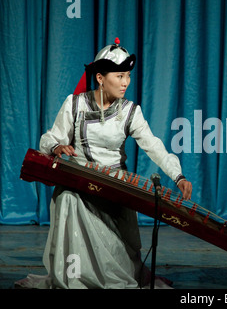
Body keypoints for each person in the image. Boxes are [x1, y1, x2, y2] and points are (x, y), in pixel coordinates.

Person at [16, 38, 192, 289]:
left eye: (128, 76)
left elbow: (154, 146)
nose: (125, 83)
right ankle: (74, 275)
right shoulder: (75, 104)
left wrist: (178, 176)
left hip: (114, 185)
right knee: (68, 198)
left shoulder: (130, 111)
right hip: (78, 182)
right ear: (100, 78)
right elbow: (49, 138)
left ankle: (109, 273)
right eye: (119, 76)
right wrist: (57, 147)